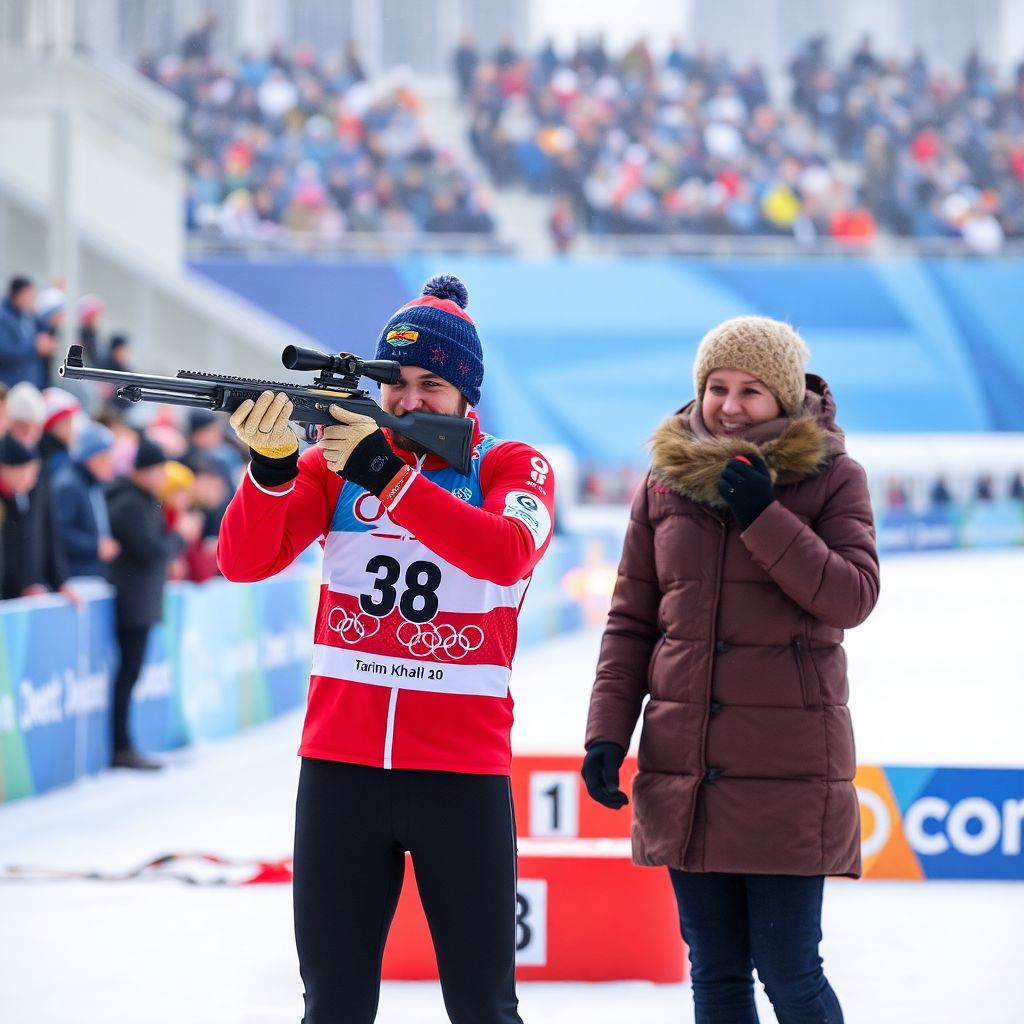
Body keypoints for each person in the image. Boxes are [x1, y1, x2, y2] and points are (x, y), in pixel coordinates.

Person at [217, 274, 556, 1024]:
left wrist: (386, 474)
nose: (407, 400)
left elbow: (505, 554)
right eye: (393, 382)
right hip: (341, 770)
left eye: (431, 384)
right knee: (332, 1006)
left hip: (460, 774)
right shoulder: (335, 462)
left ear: (467, 393)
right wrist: (272, 468)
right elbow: (243, 561)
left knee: (484, 1008)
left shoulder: (511, 465)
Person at [581, 316, 879, 1024]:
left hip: (788, 774)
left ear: (784, 397)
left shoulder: (834, 477)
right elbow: (631, 622)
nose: (729, 406)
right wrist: (605, 736)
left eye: (750, 390)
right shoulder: (664, 483)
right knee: (714, 975)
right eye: (717, 387)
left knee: (790, 972)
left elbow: (851, 596)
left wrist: (764, 515)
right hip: (689, 772)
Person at [106, 436, 201, 769]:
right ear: (145, 470)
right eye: (160, 469)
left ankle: (124, 744)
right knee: (127, 676)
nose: (164, 476)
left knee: (130, 675)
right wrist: (182, 537)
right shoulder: (130, 503)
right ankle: (121, 746)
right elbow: (152, 553)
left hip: (140, 601)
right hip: (132, 603)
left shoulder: (142, 500)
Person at [52, 422, 120, 579]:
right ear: (89, 457)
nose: (108, 463)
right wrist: (95, 546)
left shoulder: (91, 483)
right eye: (104, 457)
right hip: (75, 576)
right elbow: (59, 532)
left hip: (92, 571)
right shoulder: (69, 485)